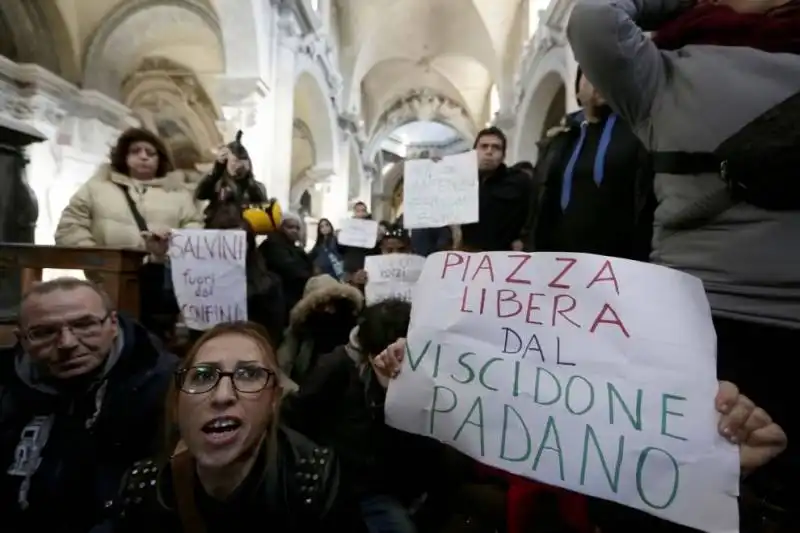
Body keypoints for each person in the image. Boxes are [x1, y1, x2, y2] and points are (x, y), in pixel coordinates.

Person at [568, 0, 800, 527]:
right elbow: (593, 18)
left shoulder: (663, 71)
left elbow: (595, 18)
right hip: (702, 325)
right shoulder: (670, 66)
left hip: (715, 325)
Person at [373, 339, 788, 533]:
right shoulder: (463, 458)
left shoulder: (616, 476)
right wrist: (399, 390)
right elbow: (410, 471)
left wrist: (721, 468)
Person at [108, 321, 364, 532]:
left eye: (249, 375)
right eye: (203, 376)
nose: (222, 396)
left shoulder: (313, 480)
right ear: (177, 403)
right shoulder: (144, 490)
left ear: (273, 400)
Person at [0, 278, 178, 533]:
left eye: (85, 325)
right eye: (44, 332)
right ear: (22, 339)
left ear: (113, 324)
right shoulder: (7, 388)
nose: (66, 343)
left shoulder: (163, 388)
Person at [283, 299, 443, 533]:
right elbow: (295, 414)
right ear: (369, 354)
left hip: (411, 484)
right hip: (361, 487)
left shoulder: (428, 371)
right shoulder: (336, 369)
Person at [530, 68, 654, 260]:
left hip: (620, 261)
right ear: (578, 88)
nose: (599, 81)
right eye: (590, 74)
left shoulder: (639, 133)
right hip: (559, 260)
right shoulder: (561, 139)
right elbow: (542, 198)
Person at [139, 203, 287, 347]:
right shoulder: (192, 280)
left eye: (236, 242)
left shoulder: (269, 285)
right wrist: (157, 258)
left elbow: (272, 337)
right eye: (224, 242)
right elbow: (157, 310)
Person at [54, 128, 203, 249]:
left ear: (160, 159)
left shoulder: (178, 194)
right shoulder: (97, 188)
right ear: (124, 156)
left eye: (150, 153)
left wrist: (170, 250)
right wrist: (97, 260)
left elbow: (194, 230)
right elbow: (70, 226)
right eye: (135, 151)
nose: (144, 156)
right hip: (108, 276)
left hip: (161, 275)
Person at [452, 127, 533, 252]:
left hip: (505, 258)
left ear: (503, 155)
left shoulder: (519, 182)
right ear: (474, 152)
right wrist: (437, 167)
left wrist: (524, 240)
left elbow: (535, 215)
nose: (489, 152)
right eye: (484, 146)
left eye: (496, 147)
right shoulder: (463, 182)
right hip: (470, 256)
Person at [277, 274, 363, 384]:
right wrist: (296, 393)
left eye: (332, 302)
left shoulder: (355, 327)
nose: (328, 310)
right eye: (321, 305)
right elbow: (281, 368)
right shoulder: (300, 333)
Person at [194, 131, 267, 223]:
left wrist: (248, 180)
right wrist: (217, 170)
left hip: (244, 233)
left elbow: (263, 214)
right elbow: (200, 194)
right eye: (234, 161)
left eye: (241, 161)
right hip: (219, 233)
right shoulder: (217, 183)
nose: (237, 166)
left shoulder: (255, 187)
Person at [259, 212, 314, 315]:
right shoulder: (273, 244)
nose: (294, 231)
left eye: (297, 228)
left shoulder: (294, 248)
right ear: (281, 227)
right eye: (290, 227)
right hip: (280, 302)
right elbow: (290, 269)